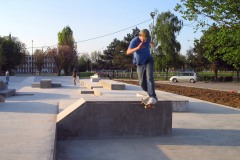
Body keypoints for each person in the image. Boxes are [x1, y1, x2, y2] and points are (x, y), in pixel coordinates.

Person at [126, 29, 157, 105]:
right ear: (140, 36)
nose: (145, 40)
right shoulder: (134, 41)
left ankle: (153, 97)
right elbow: (128, 52)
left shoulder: (148, 38)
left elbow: (150, 42)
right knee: (142, 83)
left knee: (149, 77)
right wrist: (137, 48)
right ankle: (149, 93)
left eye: (147, 38)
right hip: (140, 63)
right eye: (144, 38)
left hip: (148, 60)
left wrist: (152, 44)